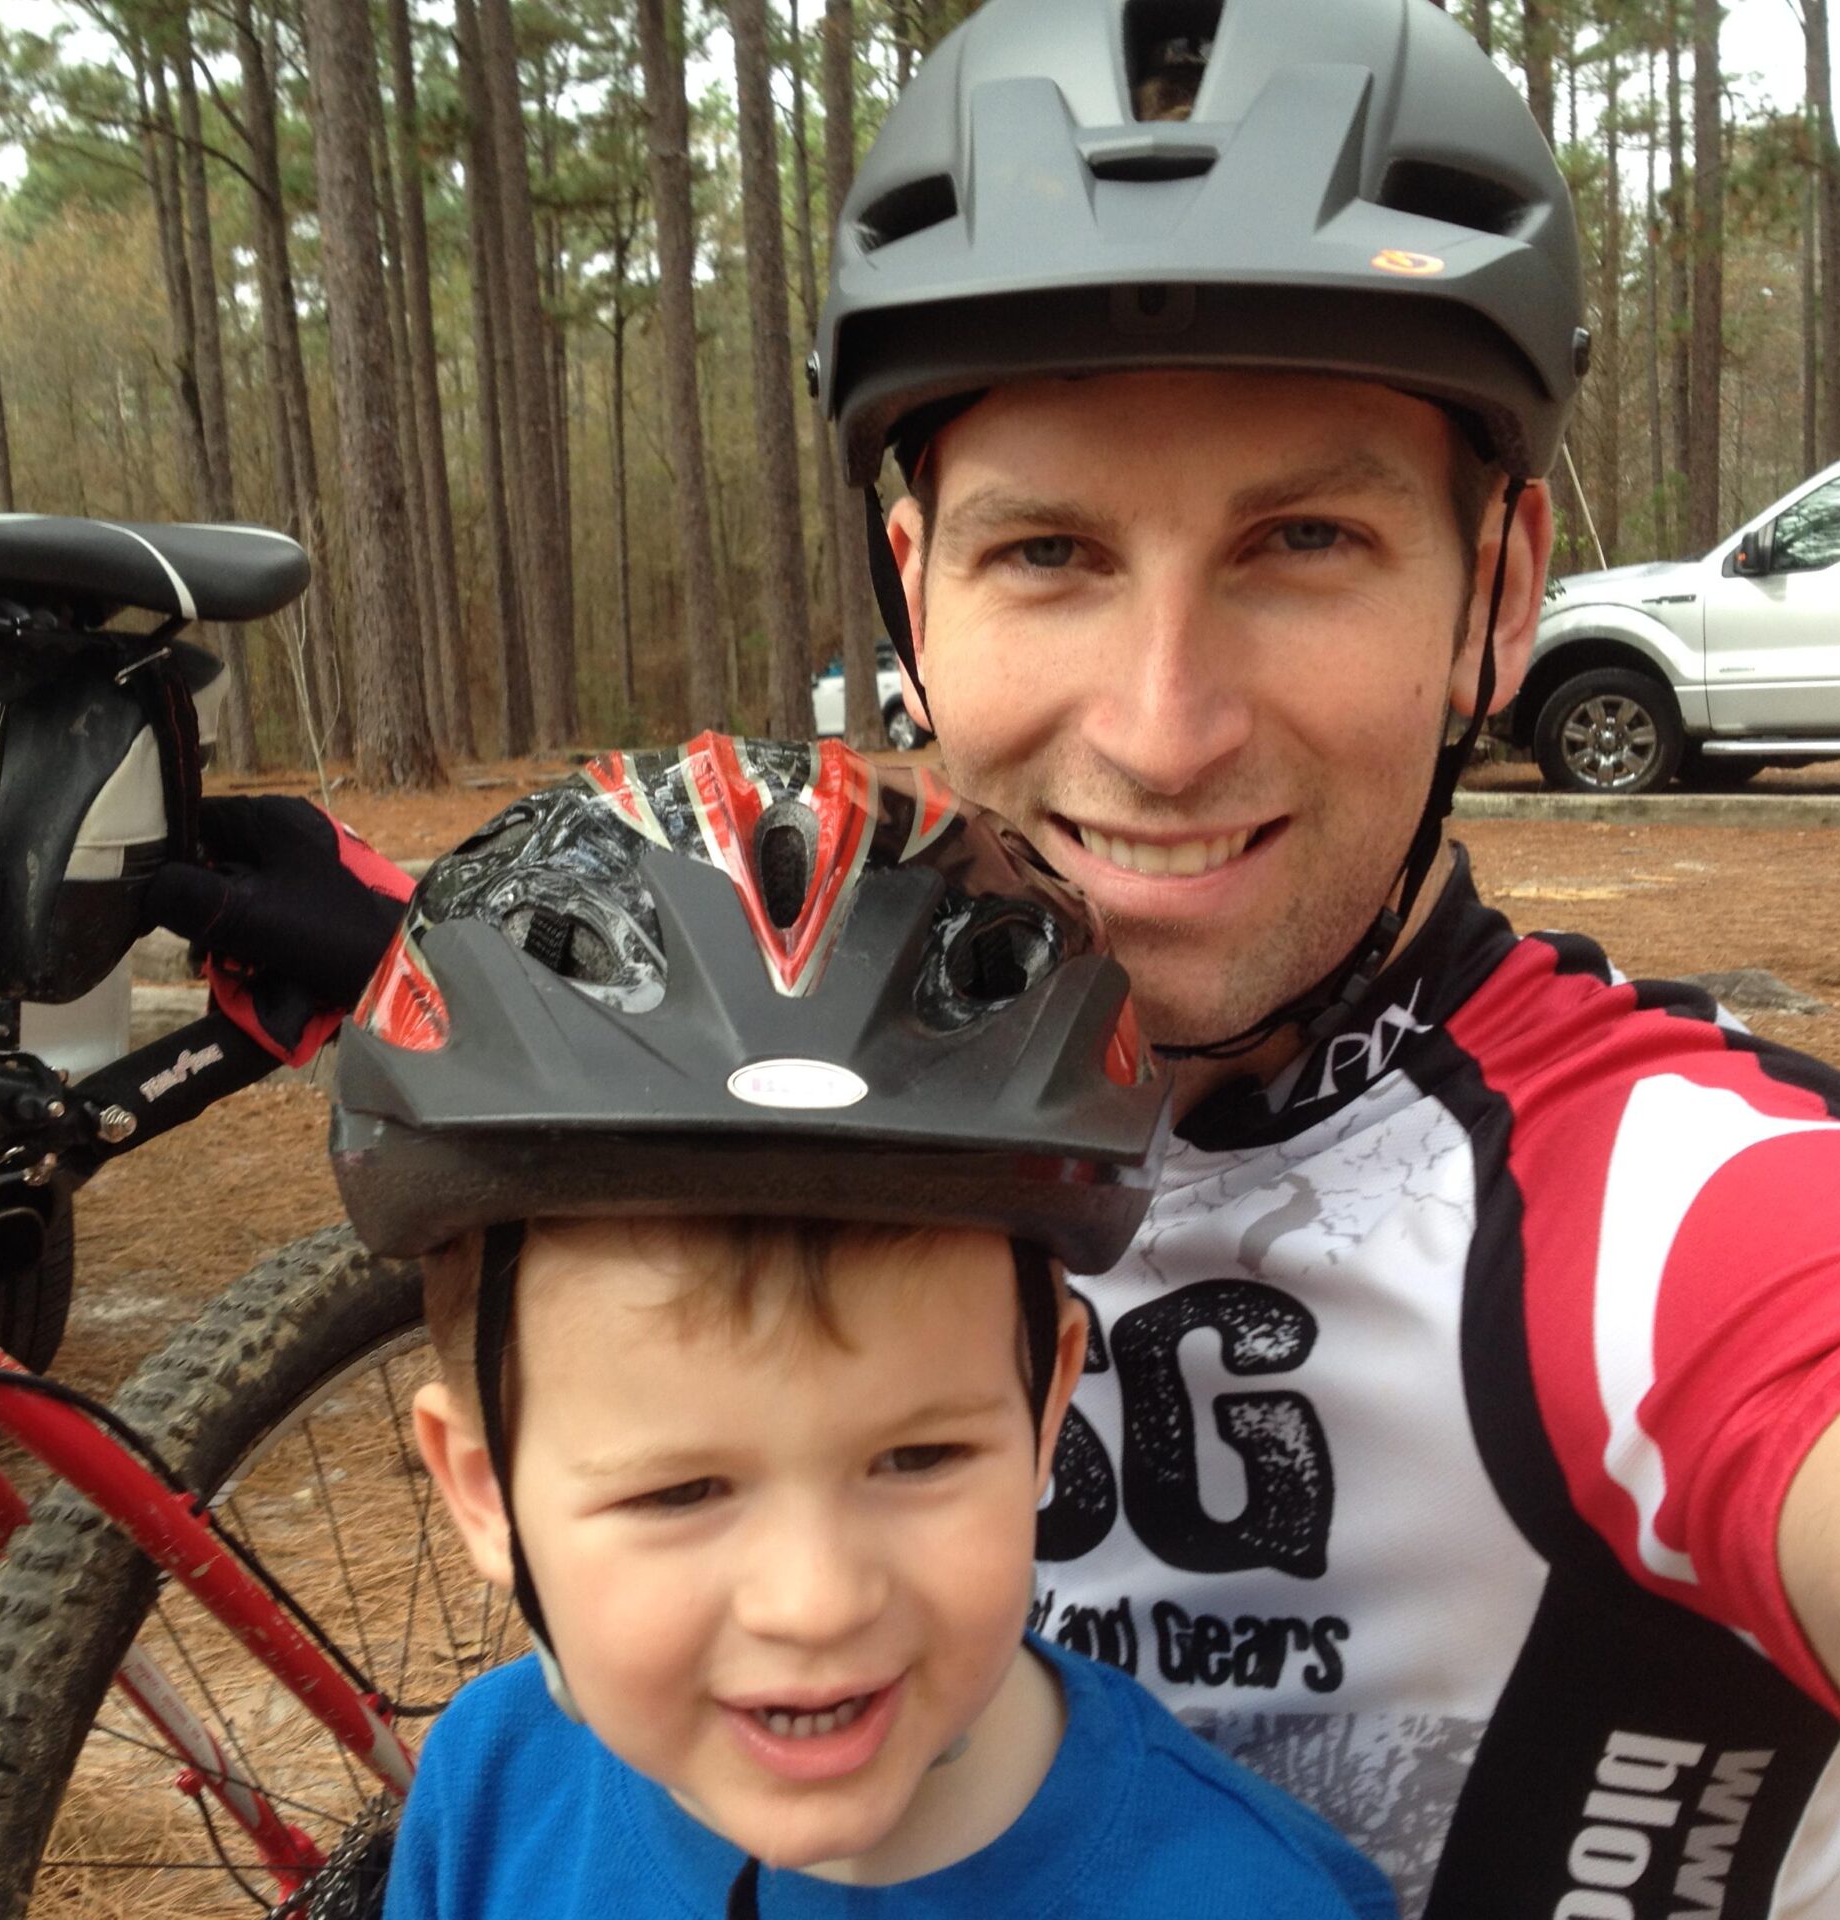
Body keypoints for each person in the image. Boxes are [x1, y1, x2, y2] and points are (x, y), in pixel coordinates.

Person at [794, 1, 1840, 1914]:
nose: (1163, 731)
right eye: (1052, 557)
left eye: (1304, 542)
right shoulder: (793, 1106)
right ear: (915, 587)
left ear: (1498, 594)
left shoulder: (1655, 1222)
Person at [330, 737, 1399, 1919]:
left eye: (919, 1458)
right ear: (483, 1488)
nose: (816, 1602)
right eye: (679, 1492)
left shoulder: (1244, 1899)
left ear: (1045, 1410)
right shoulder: (490, 1787)